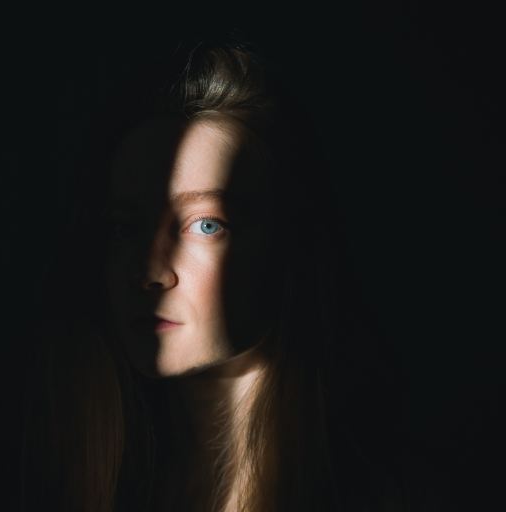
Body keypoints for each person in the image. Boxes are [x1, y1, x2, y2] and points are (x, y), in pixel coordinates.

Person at [20, 32, 406, 512]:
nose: (151, 271)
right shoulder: (77, 481)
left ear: (291, 242)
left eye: (206, 224)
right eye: (124, 228)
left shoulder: (386, 492)